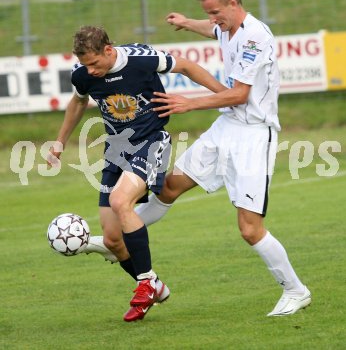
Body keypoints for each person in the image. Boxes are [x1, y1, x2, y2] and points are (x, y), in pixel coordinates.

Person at [134, 0, 311, 317]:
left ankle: (296, 290)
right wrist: (187, 23)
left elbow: (240, 94)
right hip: (226, 127)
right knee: (169, 187)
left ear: (233, 3)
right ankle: (123, 235)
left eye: (216, 12)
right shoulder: (225, 26)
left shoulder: (256, 37)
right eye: (208, 14)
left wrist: (189, 103)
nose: (213, 20)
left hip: (253, 135)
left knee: (249, 229)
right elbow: (211, 28)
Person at [48, 25, 228, 322]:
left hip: (151, 141)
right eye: (84, 64)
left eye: (94, 63)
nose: (90, 70)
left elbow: (186, 65)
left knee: (121, 202)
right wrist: (59, 141)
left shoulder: (141, 59)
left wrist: (225, 95)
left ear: (108, 50)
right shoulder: (82, 74)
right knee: (112, 239)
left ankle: (146, 281)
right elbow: (78, 102)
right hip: (116, 151)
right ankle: (154, 286)